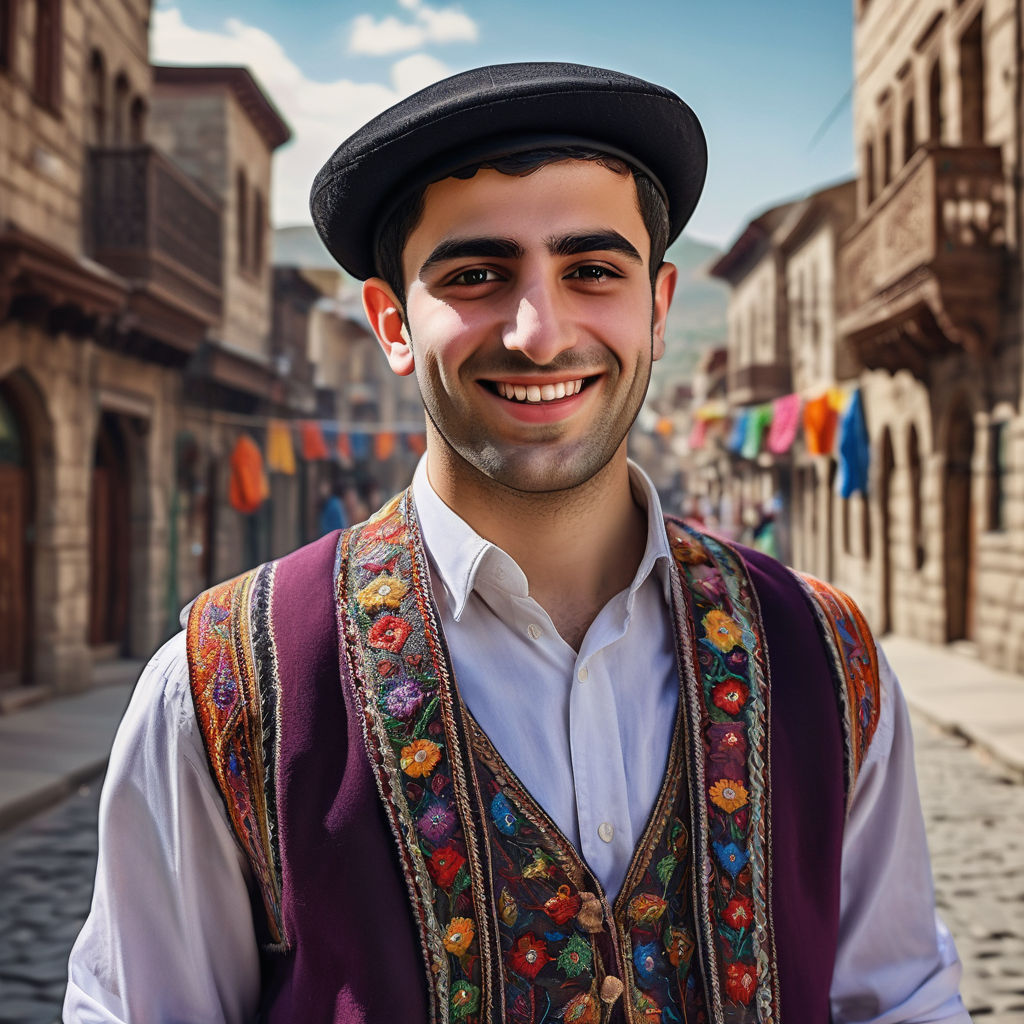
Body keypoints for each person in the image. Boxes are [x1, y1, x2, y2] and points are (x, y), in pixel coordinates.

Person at [65, 63, 969, 1023]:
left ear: (659, 307)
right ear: (392, 323)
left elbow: (900, 1001)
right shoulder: (223, 684)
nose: (540, 333)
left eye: (593, 271)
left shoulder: (827, 657)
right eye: (476, 276)